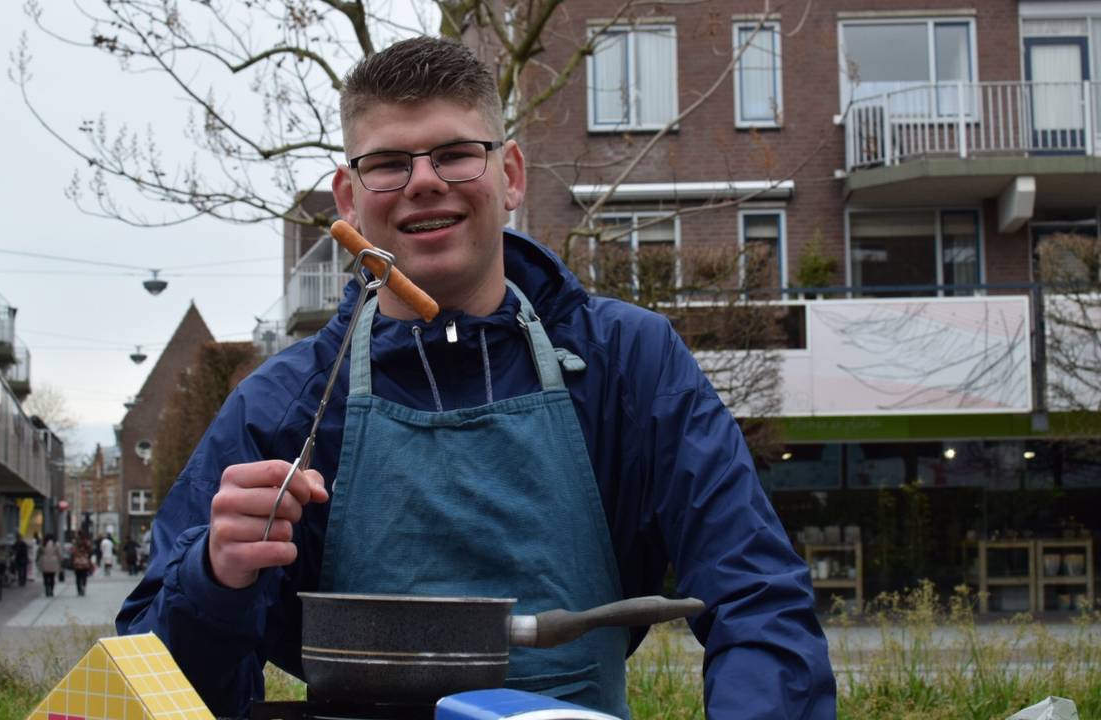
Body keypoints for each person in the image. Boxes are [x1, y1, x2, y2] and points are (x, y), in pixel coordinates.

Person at [118, 36, 835, 719]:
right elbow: (151, 682)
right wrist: (213, 580)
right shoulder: (282, 408)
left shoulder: (629, 363)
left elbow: (756, 600)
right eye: (389, 163)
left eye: (457, 154)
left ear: (512, 175)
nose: (424, 182)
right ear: (347, 197)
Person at [71, 531, 93, 596]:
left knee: (78, 577)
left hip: (77, 562)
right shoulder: (86, 542)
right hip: (84, 561)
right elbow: (90, 551)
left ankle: (79, 590)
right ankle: (83, 586)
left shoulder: (75, 542)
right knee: (84, 576)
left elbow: (73, 552)